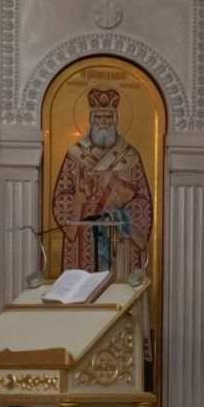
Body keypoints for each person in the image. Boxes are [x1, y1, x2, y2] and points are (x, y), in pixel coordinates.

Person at [51, 86, 153, 277]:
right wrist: (80, 197)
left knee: (119, 287)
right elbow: (61, 198)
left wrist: (119, 213)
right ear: (91, 120)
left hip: (120, 241)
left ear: (115, 120)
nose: (103, 122)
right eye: (98, 117)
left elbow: (143, 200)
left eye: (108, 118)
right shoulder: (75, 155)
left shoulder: (130, 157)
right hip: (84, 241)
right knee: (84, 287)